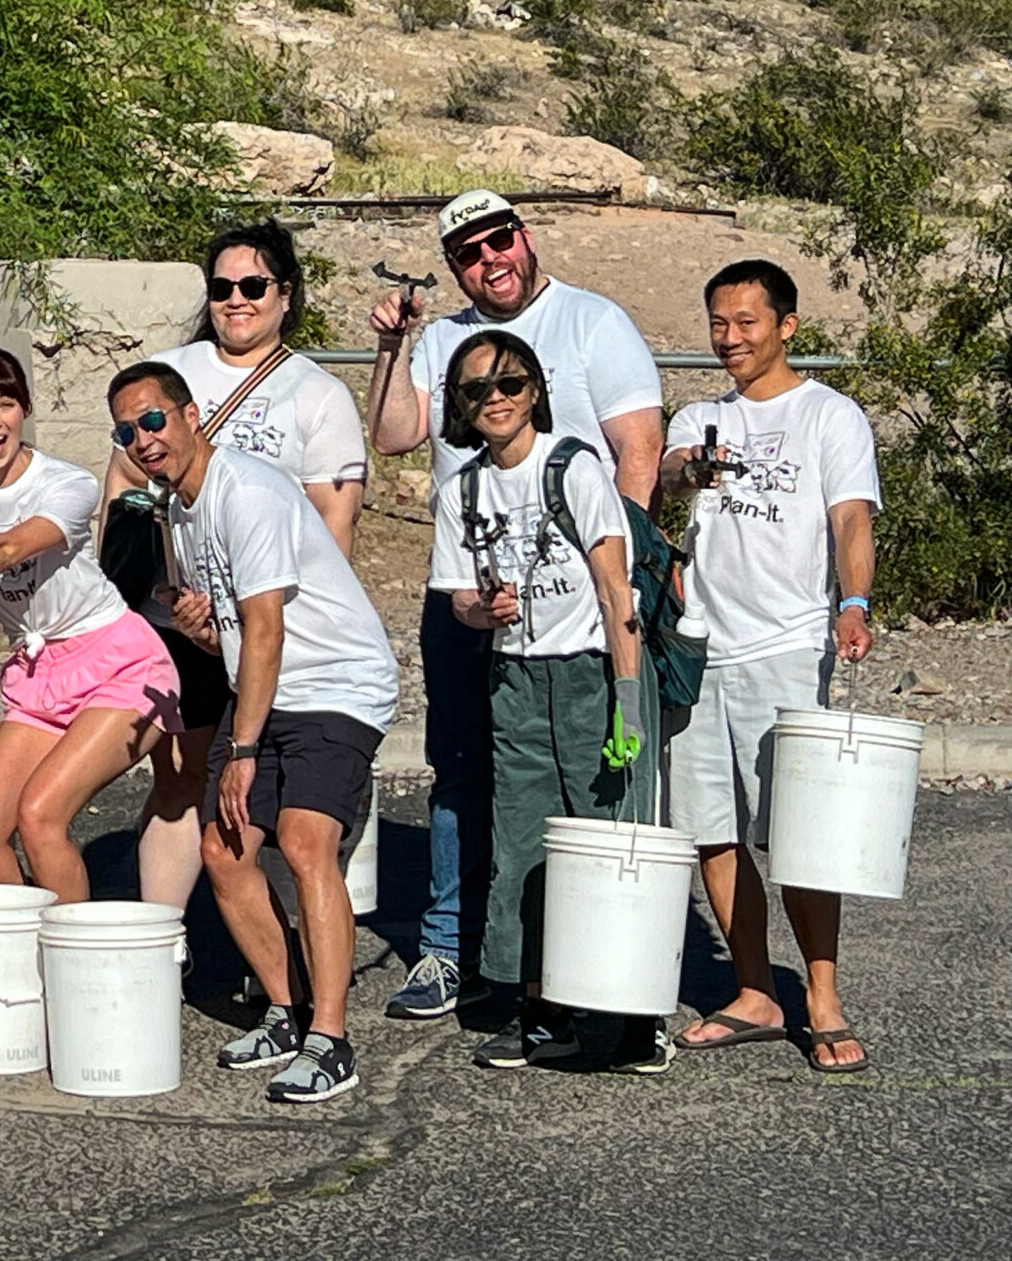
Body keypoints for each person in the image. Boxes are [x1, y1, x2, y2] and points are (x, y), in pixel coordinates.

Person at [367, 190, 661, 1023]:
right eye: (468, 251)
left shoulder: (592, 321)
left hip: (575, 607)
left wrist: (621, 586)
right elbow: (393, 434)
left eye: (499, 239)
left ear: (525, 238)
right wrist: (391, 350)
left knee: (583, 778)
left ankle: (584, 963)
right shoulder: (444, 339)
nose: (488, 259)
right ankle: (452, 947)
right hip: (465, 586)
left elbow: (637, 447)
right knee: (463, 768)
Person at [139, 362, 399, 1105]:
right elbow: (225, 616)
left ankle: (331, 1036)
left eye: (155, 420)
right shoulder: (177, 510)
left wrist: (243, 750)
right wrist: (195, 621)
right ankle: (284, 1012)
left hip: (333, 680)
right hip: (265, 683)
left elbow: (266, 625)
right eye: (128, 430)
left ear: (190, 415)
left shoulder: (245, 489)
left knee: (307, 839)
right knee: (222, 849)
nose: (144, 439)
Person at [103, 221, 367, 919]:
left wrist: (279, 625)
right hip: (182, 620)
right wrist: (156, 600)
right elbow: (123, 497)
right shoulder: (169, 370)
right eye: (222, 288)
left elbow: (332, 528)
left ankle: (280, 959)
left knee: (270, 796)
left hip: (268, 624)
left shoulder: (317, 395)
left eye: (253, 286)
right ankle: (163, 940)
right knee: (182, 778)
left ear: (285, 294)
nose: (236, 301)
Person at [661, 260, 881, 1072]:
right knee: (711, 829)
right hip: (700, 646)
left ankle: (822, 997)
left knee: (798, 833)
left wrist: (852, 601)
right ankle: (754, 988)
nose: (730, 339)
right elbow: (668, 478)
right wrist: (687, 471)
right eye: (719, 323)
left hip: (787, 644)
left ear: (786, 325)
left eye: (747, 323)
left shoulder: (829, 416)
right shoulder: (700, 416)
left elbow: (851, 517)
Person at [430, 332, 665, 1075]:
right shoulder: (460, 491)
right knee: (524, 844)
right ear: (460, 407)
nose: (495, 398)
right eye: (476, 390)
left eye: (509, 383)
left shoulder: (573, 467)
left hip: (594, 670)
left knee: (611, 837)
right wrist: (482, 613)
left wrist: (627, 698)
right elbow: (460, 597)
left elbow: (613, 587)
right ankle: (545, 1012)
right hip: (518, 678)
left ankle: (636, 1014)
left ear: (534, 388)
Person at [0, 347, 177, 903]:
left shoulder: (67, 484)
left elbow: (9, 547)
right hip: (39, 676)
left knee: (41, 814)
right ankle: (28, 962)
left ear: (24, 410)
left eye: (6, 404)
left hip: (118, 664)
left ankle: (76, 969)